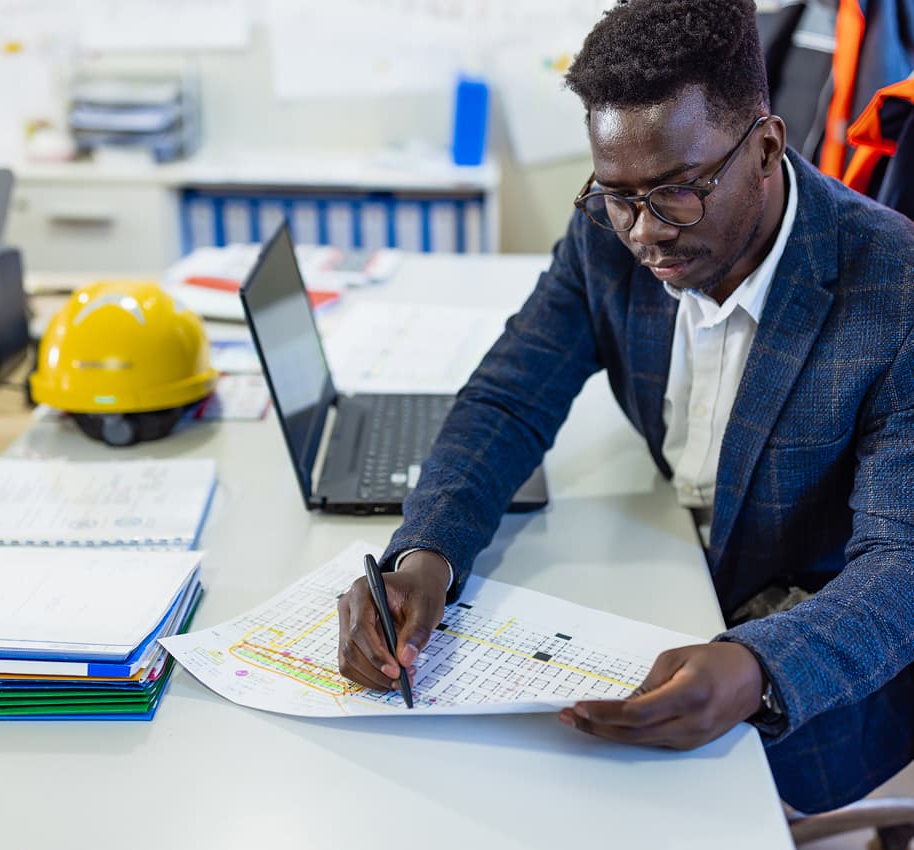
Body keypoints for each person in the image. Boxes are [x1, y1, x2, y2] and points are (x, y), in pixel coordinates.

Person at [336, 0, 914, 815]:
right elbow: (510, 399)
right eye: (617, 196)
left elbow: (903, 562)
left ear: (766, 148)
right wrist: (425, 554)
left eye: (677, 194)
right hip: (667, 589)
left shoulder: (894, 286)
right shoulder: (610, 231)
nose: (644, 234)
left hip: (817, 672)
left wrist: (760, 669)